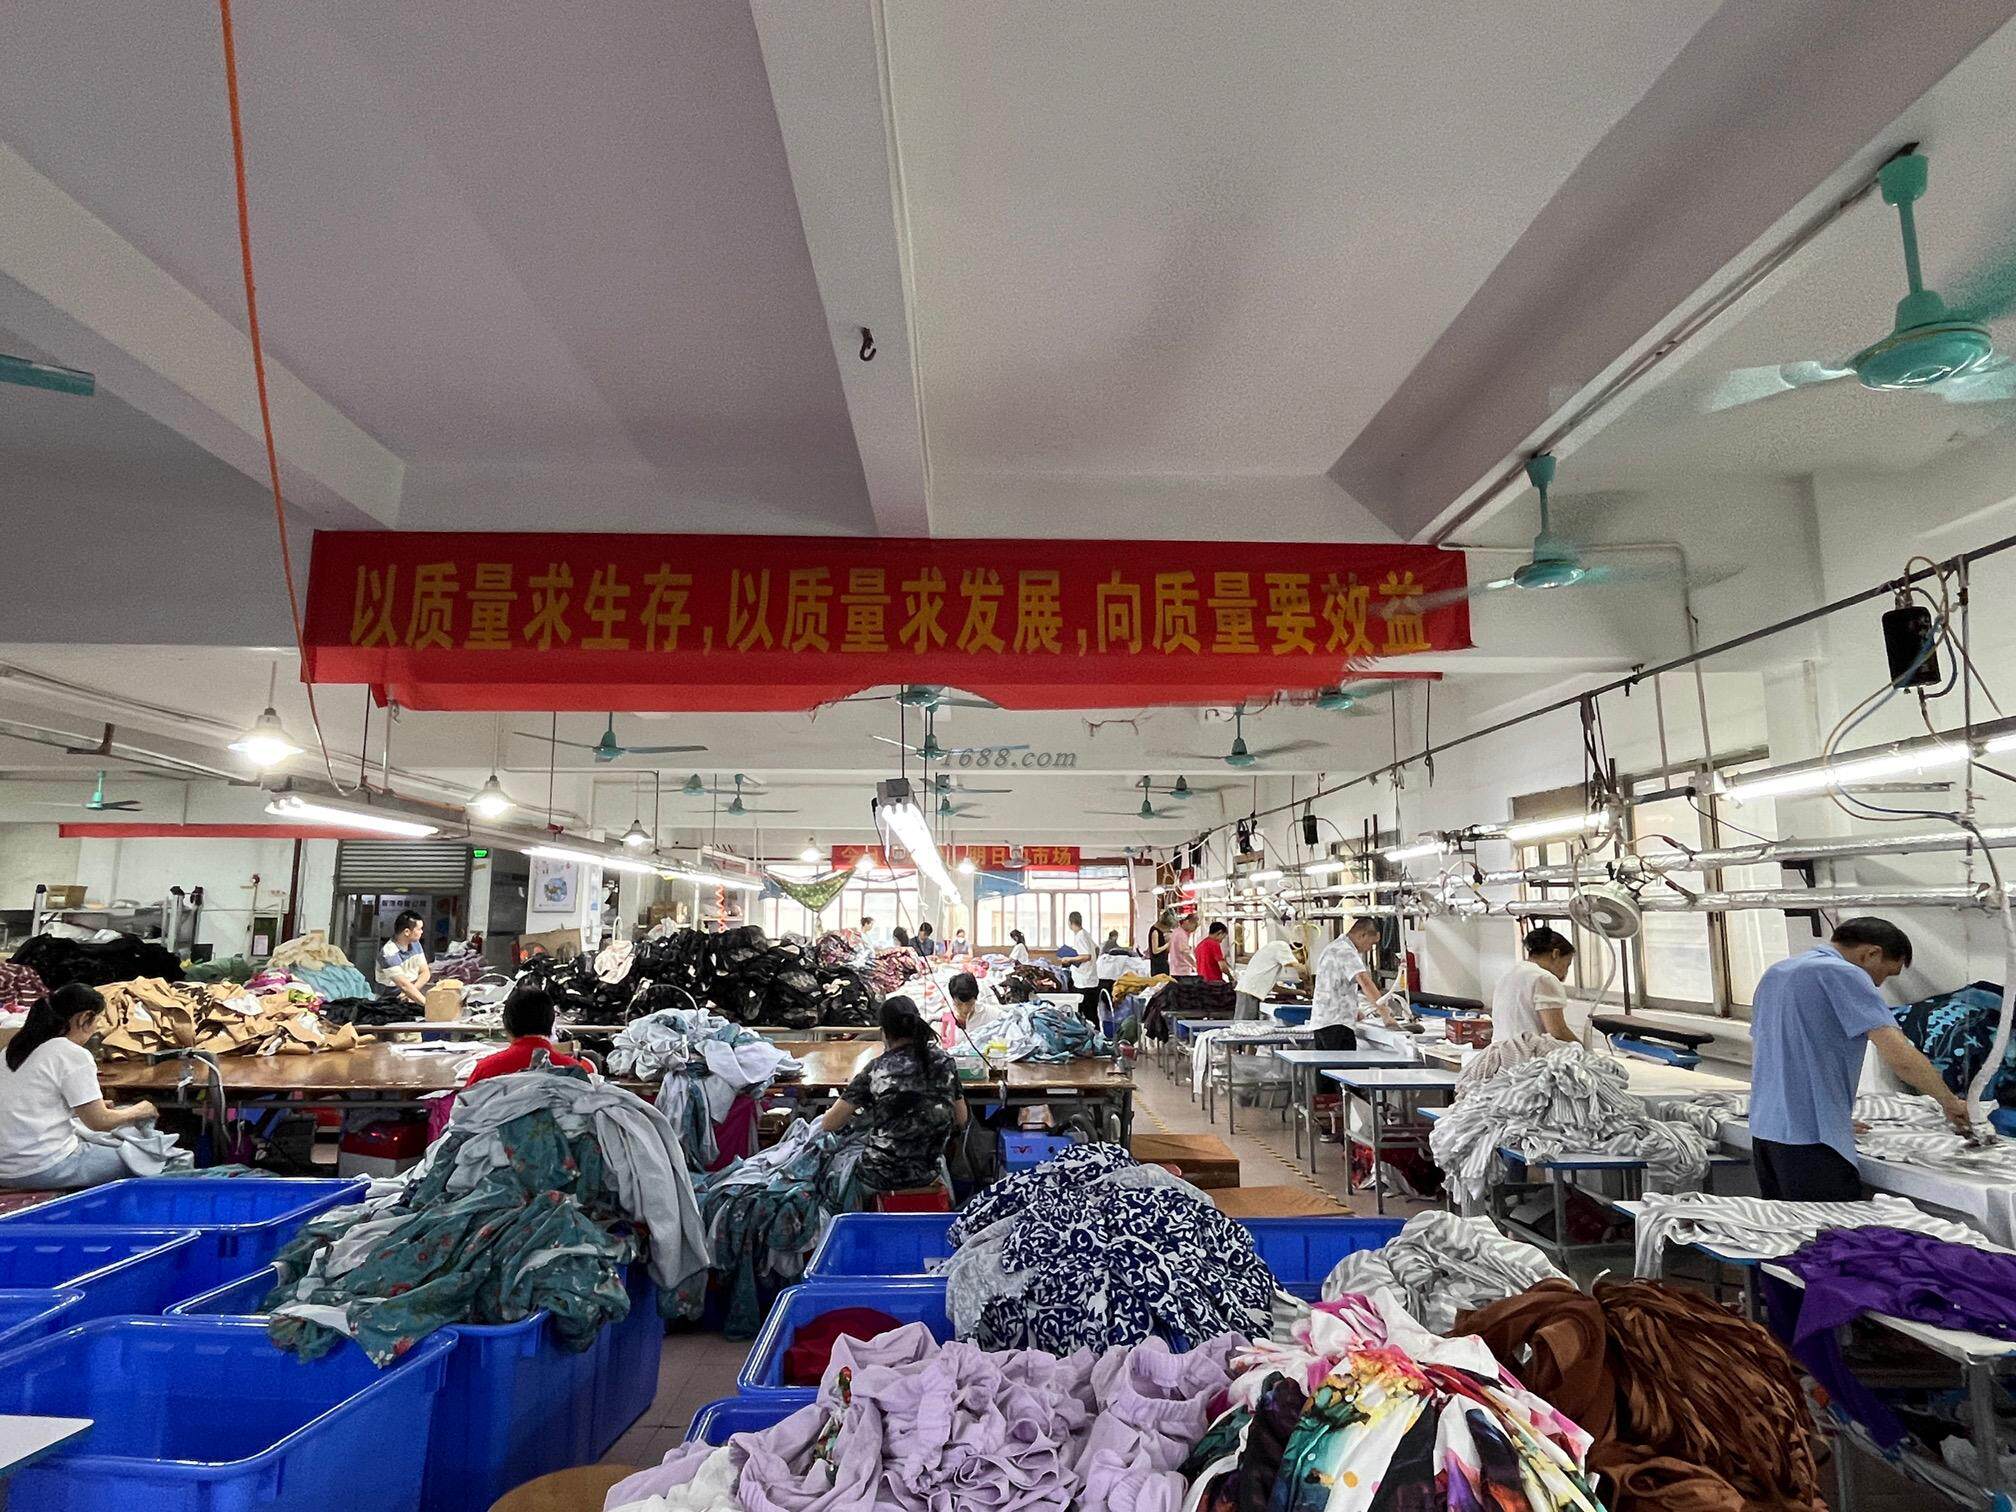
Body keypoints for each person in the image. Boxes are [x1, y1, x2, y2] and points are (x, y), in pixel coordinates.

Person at [1750, 917, 1971, 1202]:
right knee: (1835, 1228)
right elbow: (1900, 1056)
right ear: (1871, 953)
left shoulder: (1777, 972)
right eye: (1885, 974)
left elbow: (1781, 1052)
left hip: (1767, 1135)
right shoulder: (1844, 974)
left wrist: (1829, 1117)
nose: (1878, 984)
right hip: (1810, 1144)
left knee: (1788, 1224)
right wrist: (1950, 1102)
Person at [0, 984, 162, 1190]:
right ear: (84, 1018)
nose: (96, 1029)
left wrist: (87, 1106)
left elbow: (28, 1101)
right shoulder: (71, 1053)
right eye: (97, 1021)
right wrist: (141, 1110)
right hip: (41, 1167)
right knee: (151, 1158)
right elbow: (99, 1122)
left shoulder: (13, 1049)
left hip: (5, 1167)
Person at [818, 995, 970, 1195]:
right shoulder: (945, 1063)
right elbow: (961, 1118)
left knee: (825, 1165)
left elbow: (829, 1124)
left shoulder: (877, 1069)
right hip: (926, 1173)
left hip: (879, 1177)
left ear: (884, 1032)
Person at [463, 987, 582, 1089]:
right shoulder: (573, 1070)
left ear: (507, 1023)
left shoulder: (487, 1069)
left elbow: (464, 1106)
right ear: (551, 1023)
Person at [1311, 917, 1399, 1049]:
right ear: (1362, 935)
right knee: (1343, 1063)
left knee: (1327, 1062)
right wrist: (1385, 1014)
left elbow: (1334, 985)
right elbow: (1364, 981)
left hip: (1324, 1023)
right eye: (1372, 943)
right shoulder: (1346, 951)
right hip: (1337, 1026)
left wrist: (1352, 1010)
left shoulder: (1333, 947)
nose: (1370, 948)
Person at [1492, 927, 1578, 1044]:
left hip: (1499, 1051)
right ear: (1555, 954)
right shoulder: (1544, 978)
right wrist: (1584, 1049)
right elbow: (1557, 1032)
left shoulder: (1509, 973)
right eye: (1567, 964)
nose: (1565, 973)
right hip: (1526, 1052)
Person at [1233, 925, 1303, 1021]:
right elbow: (1297, 967)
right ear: (1297, 952)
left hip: (1250, 991)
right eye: (1301, 959)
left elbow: (1275, 988)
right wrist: (1307, 976)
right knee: (1244, 1024)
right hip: (1250, 991)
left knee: (1250, 1024)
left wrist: (1300, 992)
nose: (1300, 961)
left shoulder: (1273, 961)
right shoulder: (1282, 946)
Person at [377, 909, 432, 1009]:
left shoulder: (416, 944)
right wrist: (429, 1007)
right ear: (407, 932)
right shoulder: (388, 953)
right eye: (419, 929)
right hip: (390, 1001)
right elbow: (403, 985)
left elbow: (425, 972)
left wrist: (411, 993)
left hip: (410, 995)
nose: (422, 932)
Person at [1058, 910, 1102, 1026]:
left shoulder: (1080, 936)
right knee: (1092, 1014)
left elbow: (1087, 956)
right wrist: (1092, 964)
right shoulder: (1085, 934)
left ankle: (1093, 1035)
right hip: (1089, 979)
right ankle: (1096, 1033)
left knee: (1088, 1015)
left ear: (1070, 922)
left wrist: (1069, 959)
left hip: (1084, 982)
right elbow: (1096, 949)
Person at [1168, 912, 1198, 976]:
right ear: (1187, 922)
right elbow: (1186, 953)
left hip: (1174, 969)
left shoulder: (1176, 931)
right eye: (1194, 926)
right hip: (1181, 971)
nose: (1193, 929)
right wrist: (1196, 965)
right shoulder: (1182, 935)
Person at [1147, 909, 1174, 976]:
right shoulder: (1155, 932)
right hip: (1158, 964)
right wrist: (1167, 944)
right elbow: (1155, 950)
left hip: (1163, 961)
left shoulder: (1160, 932)